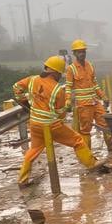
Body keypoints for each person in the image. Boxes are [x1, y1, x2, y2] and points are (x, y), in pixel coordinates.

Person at [13, 55, 98, 186]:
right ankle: (92, 165)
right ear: (55, 72)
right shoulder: (58, 90)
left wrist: (25, 100)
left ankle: (22, 179)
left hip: (35, 123)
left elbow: (16, 87)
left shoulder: (32, 79)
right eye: (60, 73)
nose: (60, 76)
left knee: (33, 150)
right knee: (77, 141)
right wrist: (63, 114)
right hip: (51, 125)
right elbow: (60, 114)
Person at [66, 39, 112, 152]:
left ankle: (111, 150)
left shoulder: (90, 66)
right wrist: (67, 100)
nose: (82, 53)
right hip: (83, 105)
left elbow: (95, 84)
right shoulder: (71, 69)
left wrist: (103, 96)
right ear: (74, 53)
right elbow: (68, 87)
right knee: (85, 130)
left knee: (105, 124)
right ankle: (87, 153)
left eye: (83, 51)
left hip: (95, 102)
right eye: (79, 51)